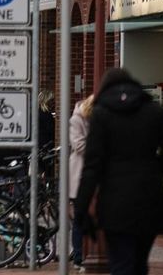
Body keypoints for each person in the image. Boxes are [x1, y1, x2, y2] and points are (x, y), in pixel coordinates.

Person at [75, 68, 163, 275]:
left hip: (114, 200)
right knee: (140, 262)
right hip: (149, 197)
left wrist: (82, 208)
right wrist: (155, 167)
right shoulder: (155, 112)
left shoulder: (101, 115)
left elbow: (92, 166)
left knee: (121, 261)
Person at [67, 95, 94, 271]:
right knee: (80, 218)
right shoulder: (77, 120)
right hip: (81, 174)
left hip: (95, 175)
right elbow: (79, 145)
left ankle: (85, 254)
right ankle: (78, 257)